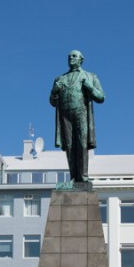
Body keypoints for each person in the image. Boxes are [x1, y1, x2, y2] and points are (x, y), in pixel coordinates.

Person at [49, 50, 105, 183]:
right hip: (65, 114)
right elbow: (52, 102)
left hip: (81, 112)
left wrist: (89, 86)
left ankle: (83, 177)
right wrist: (54, 91)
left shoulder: (90, 76)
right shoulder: (60, 79)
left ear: (81, 59)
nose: (71, 58)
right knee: (69, 146)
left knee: (81, 144)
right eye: (69, 56)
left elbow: (101, 97)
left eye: (74, 56)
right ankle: (73, 177)